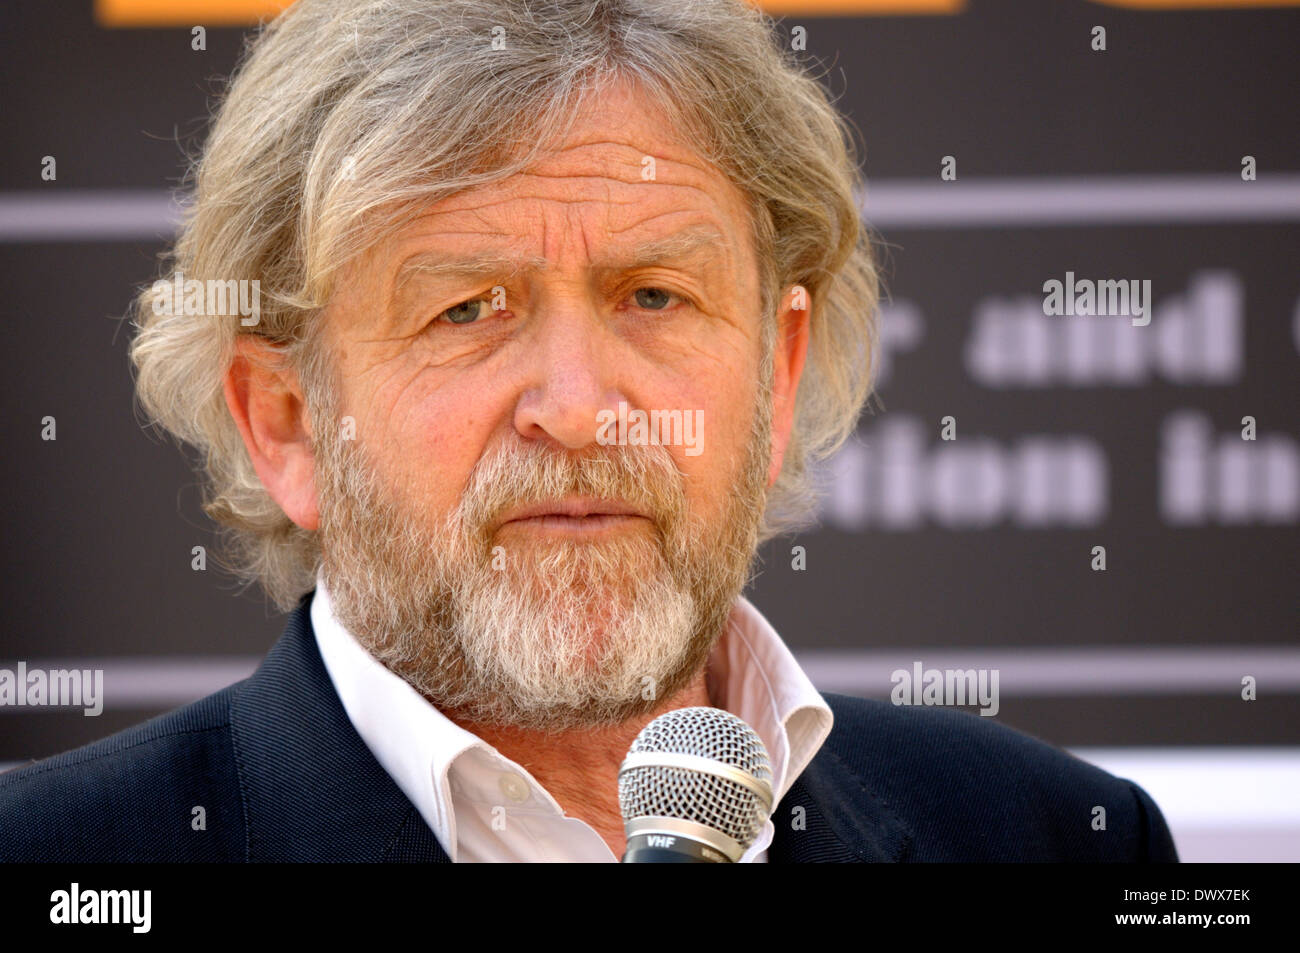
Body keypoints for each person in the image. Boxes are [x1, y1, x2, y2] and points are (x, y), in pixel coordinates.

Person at [0, 0, 1176, 862]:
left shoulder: (1061, 840)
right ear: (288, 421)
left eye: (654, 296)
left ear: (778, 366)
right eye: (467, 308)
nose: (578, 406)